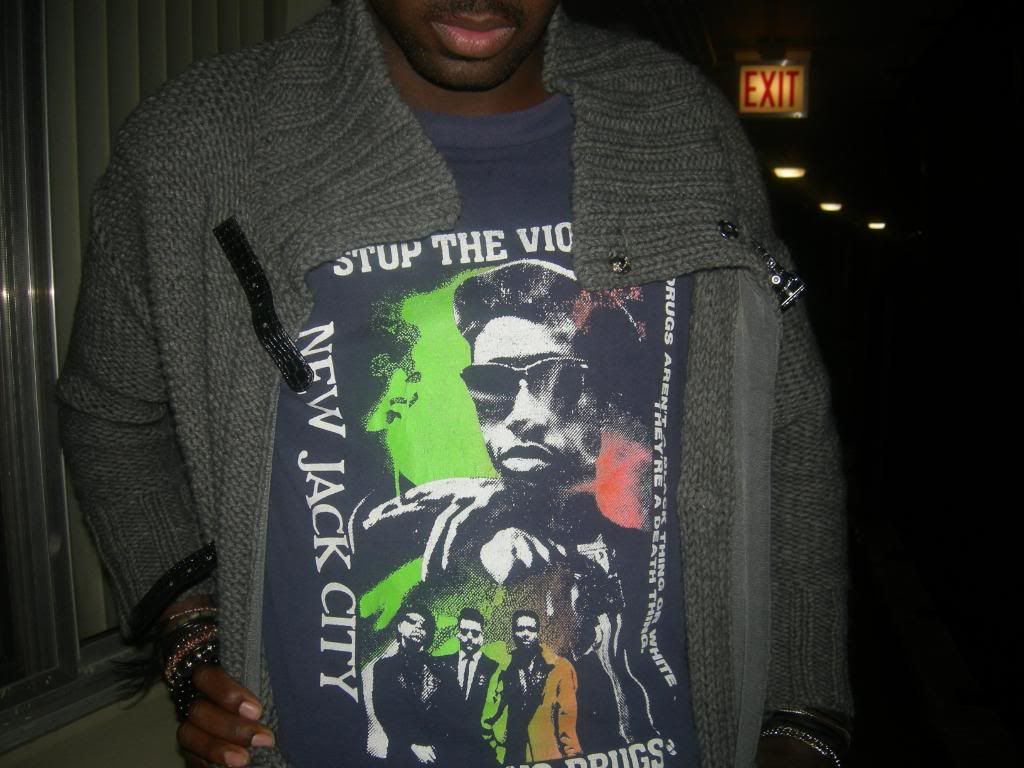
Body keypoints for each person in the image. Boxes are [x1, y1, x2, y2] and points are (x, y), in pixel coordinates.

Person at [57, 1, 852, 766]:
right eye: (493, 387)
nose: (523, 419)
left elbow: (786, 430)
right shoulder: (198, 144)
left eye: (555, 382)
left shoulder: (682, 124)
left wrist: (803, 714)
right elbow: (110, 418)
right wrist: (193, 632)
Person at [485, 610, 581, 763]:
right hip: (513, 758)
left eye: (531, 629)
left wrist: (573, 759)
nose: (525, 634)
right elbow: (488, 717)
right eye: (520, 629)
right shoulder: (504, 668)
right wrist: (496, 750)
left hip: (549, 757)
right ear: (513, 633)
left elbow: (567, 721)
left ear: (538, 632)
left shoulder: (560, 668)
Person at [367, 609, 442, 767]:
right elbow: (384, 711)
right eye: (412, 621)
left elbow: (447, 714)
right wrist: (412, 745)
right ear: (400, 626)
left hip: (434, 756)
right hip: (401, 755)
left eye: (424, 626)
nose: (418, 627)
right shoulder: (384, 667)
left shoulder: (439, 669)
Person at [431, 607, 500, 765]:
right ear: (458, 633)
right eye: (464, 631)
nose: (469, 637)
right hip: (446, 751)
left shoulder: (494, 668)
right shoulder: (441, 664)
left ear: (482, 635)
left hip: (480, 752)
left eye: (475, 633)